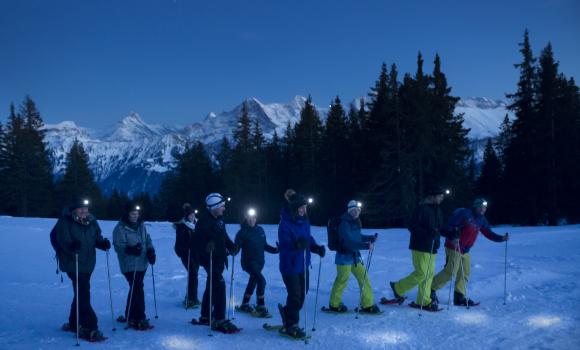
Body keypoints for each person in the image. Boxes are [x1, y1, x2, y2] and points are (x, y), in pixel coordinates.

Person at [430, 198, 509, 306]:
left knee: (465, 273)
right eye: (480, 207)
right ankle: (430, 289)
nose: (482, 209)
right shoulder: (464, 214)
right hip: (454, 246)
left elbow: (488, 233)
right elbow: (448, 226)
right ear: (475, 206)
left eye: (484, 207)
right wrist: (453, 235)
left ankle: (459, 296)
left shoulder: (481, 219)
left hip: (466, 250)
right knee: (450, 272)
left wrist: (501, 238)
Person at [55, 197, 110, 341]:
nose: (84, 211)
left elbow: (96, 237)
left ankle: (74, 322)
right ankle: (89, 326)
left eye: (85, 209)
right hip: (73, 263)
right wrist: (72, 247)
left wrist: (102, 244)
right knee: (83, 293)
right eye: (80, 209)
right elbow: (63, 240)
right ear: (74, 210)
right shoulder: (65, 222)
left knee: (80, 292)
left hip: (88, 263)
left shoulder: (92, 221)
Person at [386, 186, 448, 311]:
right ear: (432, 196)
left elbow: (440, 228)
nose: (441, 199)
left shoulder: (438, 210)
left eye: (442, 197)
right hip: (420, 246)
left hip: (433, 246)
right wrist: (427, 233)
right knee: (421, 273)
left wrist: (452, 234)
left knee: (429, 275)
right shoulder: (421, 209)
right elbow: (412, 226)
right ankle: (398, 288)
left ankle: (424, 301)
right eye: (439, 196)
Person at [278, 189, 325, 339]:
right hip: (290, 265)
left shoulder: (305, 221)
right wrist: (297, 246)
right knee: (295, 296)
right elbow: (284, 245)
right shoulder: (284, 224)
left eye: (305, 207)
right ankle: (291, 325)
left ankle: (287, 313)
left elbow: (307, 238)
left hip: (303, 263)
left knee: (302, 294)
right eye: (301, 207)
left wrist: (315, 247)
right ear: (294, 208)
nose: (304, 210)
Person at [193, 193, 240, 333]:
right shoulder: (203, 223)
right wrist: (207, 246)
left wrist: (231, 245)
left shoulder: (219, 218)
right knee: (219, 285)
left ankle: (205, 315)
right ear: (214, 207)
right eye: (222, 206)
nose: (224, 208)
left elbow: (223, 236)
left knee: (212, 286)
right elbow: (196, 244)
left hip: (219, 259)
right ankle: (219, 318)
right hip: (209, 260)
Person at [327, 200, 380, 314]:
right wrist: (365, 246)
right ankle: (334, 304)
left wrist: (369, 238)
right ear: (349, 211)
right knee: (342, 280)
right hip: (344, 256)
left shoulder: (355, 221)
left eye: (358, 210)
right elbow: (348, 242)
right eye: (354, 210)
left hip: (355, 257)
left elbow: (357, 236)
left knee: (364, 277)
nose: (356, 212)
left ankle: (367, 304)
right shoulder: (344, 223)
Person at [113, 202, 156, 330]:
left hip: (142, 263)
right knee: (137, 288)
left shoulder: (141, 225)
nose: (135, 216)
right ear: (127, 214)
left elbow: (147, 239)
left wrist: (150, 251)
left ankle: (130, 315)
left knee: (136, 287)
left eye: (137, 214)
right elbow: (118, 246)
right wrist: (131, 250)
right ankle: (139, 317)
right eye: (133, 214)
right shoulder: (120, 228)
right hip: (129, 265)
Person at [235, 208, 278, 317]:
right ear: (246, 219)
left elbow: (265, 246)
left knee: (253, 280)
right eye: (249, 218)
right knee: (261, 281)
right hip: (248, 263)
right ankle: (260, 305)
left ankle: (245, 303)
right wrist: (233, 250)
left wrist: (276, 250)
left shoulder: (260, 230)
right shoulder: (242, 232)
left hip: (259, 263)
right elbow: (236, 247)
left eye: (253, 218)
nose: (251, 220)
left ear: (256, 218)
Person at [174, 203, 200, 309]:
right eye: (190, 215)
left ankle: (191, 296)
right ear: (186, 216)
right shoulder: (182, 226)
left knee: (194, 274)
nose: (192, 216)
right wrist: (185, 247)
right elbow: (180, 241)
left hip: (196, 253)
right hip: (185, 253)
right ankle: (190, 298)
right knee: (193, 273)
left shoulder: (198, 225)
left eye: (193, 214)